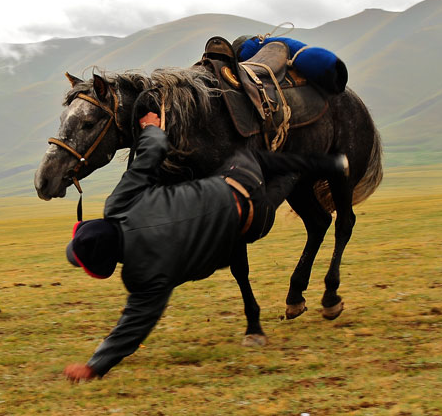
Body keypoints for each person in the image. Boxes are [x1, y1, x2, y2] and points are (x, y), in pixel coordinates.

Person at [63, 111, 348, 381]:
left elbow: (134, 325)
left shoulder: (143, 276)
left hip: (251, 223)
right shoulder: (119, 204)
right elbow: (149, 156)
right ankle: (330, 164)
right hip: (238, 178)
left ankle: (299, 174)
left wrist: (94, 367)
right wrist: (151, 127)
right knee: (258, 160)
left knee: (273, 189)